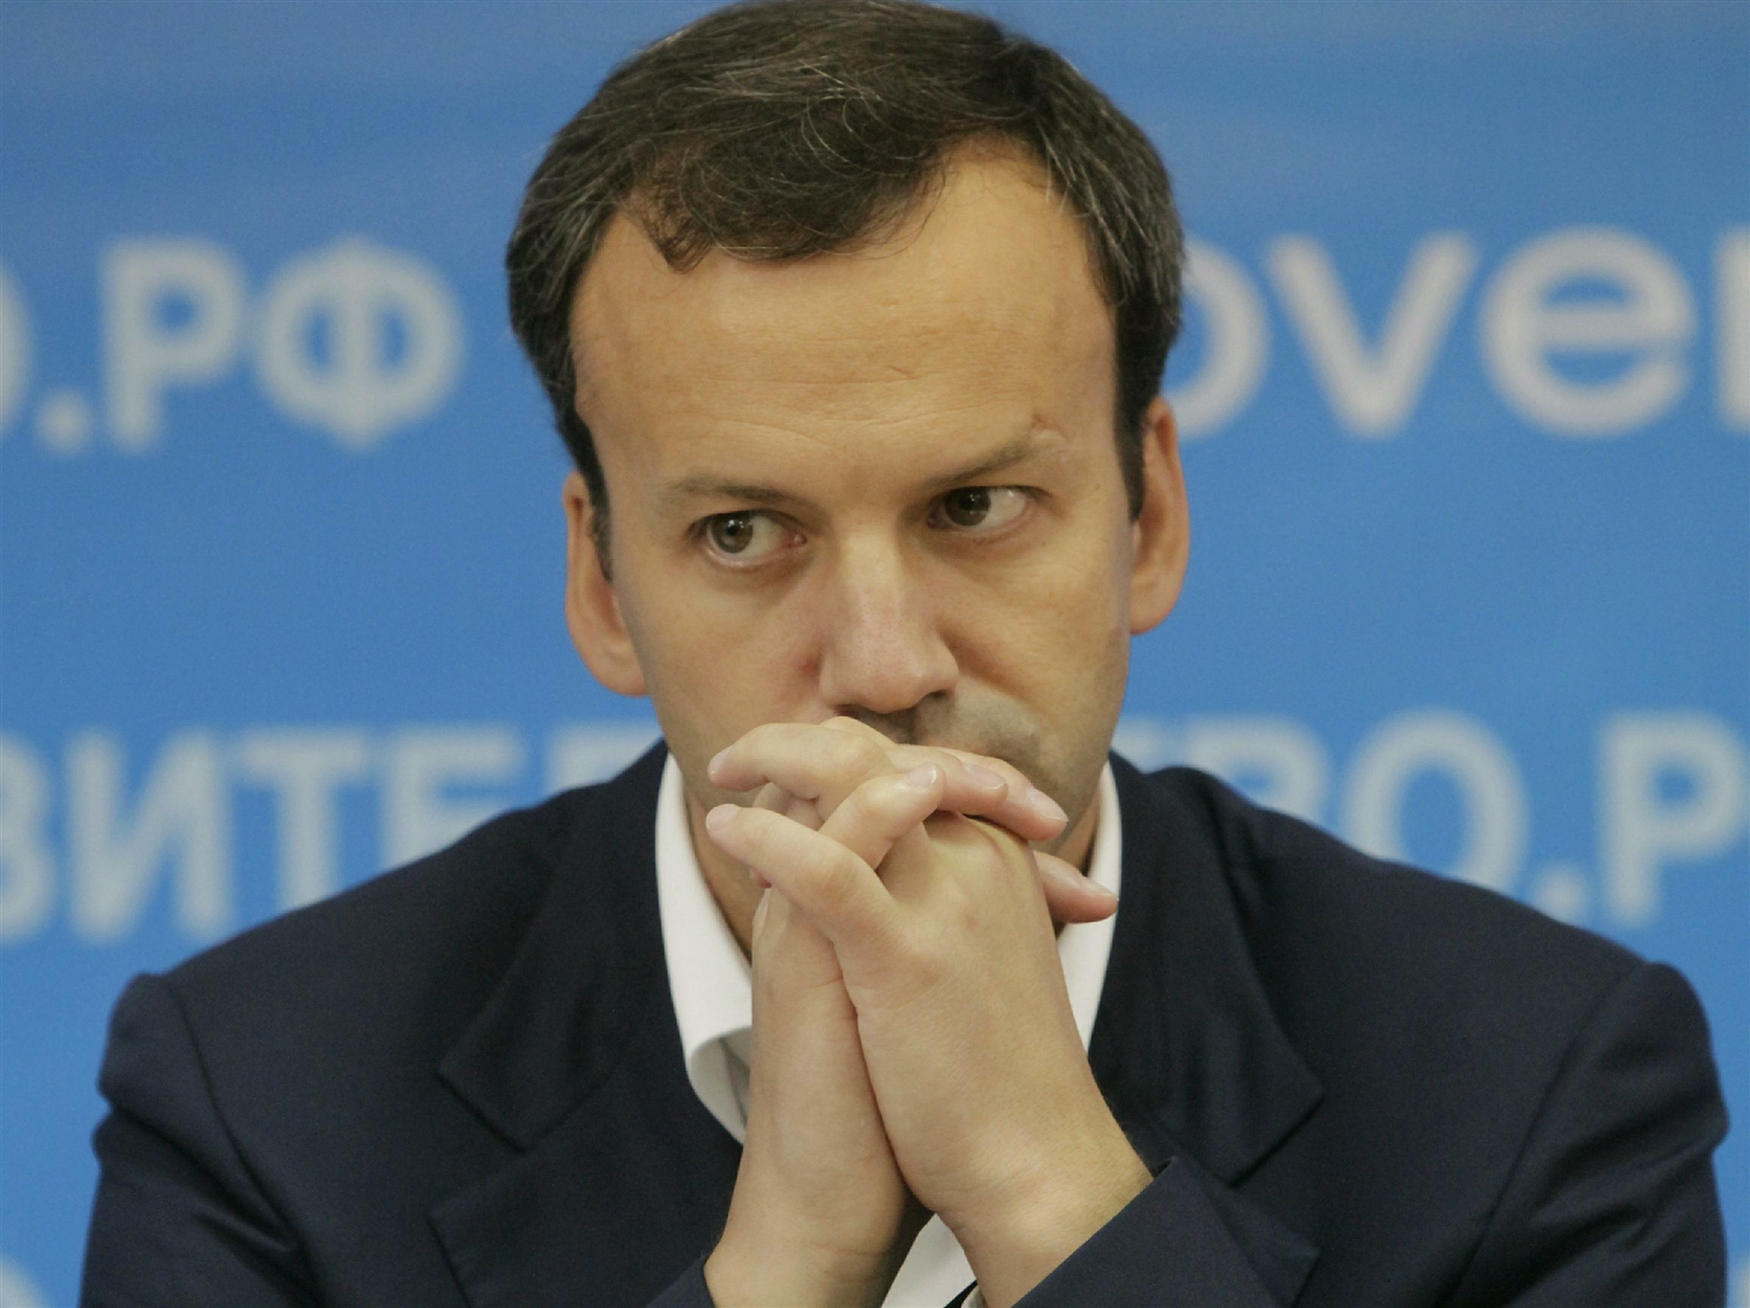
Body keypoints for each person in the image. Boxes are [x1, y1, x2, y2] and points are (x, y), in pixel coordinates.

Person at [80, 2, 1729, 1305]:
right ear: (600, 585)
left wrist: (1047, 1189)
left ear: (1147, 518)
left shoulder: (1536, 1086)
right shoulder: (264, 1108)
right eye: (743, 532)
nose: (879, 667)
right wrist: (780, 1268)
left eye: (974, 507)